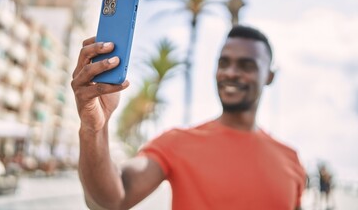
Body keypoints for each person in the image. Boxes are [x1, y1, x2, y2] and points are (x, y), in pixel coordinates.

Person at [71, 25, 306, 210]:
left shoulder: (291, 160)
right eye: (224, 63)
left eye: (246, 65)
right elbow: (110, 201)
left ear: (270, 76)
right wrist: (93, 128)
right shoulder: (176, 143)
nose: (231, 73)